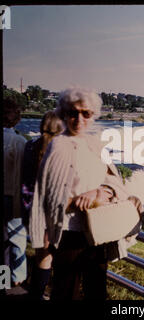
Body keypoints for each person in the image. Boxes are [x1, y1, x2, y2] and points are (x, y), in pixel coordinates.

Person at [29, 88, 143, 300]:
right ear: (63, 114)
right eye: (73, 113)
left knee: (96, 291)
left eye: (86, 113)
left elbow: (116, 183)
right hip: (68, 232)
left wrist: (102, 191)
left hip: (98, 231)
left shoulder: (95, 145)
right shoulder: (58, 147)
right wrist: (80, 201)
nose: (79, 119)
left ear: (93, 116)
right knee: (65, 292)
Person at [21, 110, 64, 300]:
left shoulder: (29, 146)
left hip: (27, 208)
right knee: (49, 259)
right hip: (49, 213)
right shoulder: (57, 153)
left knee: (13, 248)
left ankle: (8, 282)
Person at [3, 98, 27, 287]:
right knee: (17, 239)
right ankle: (16, 279)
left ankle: (2, 283)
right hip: (12, 196)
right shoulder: (20, 141)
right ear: (17, 120)